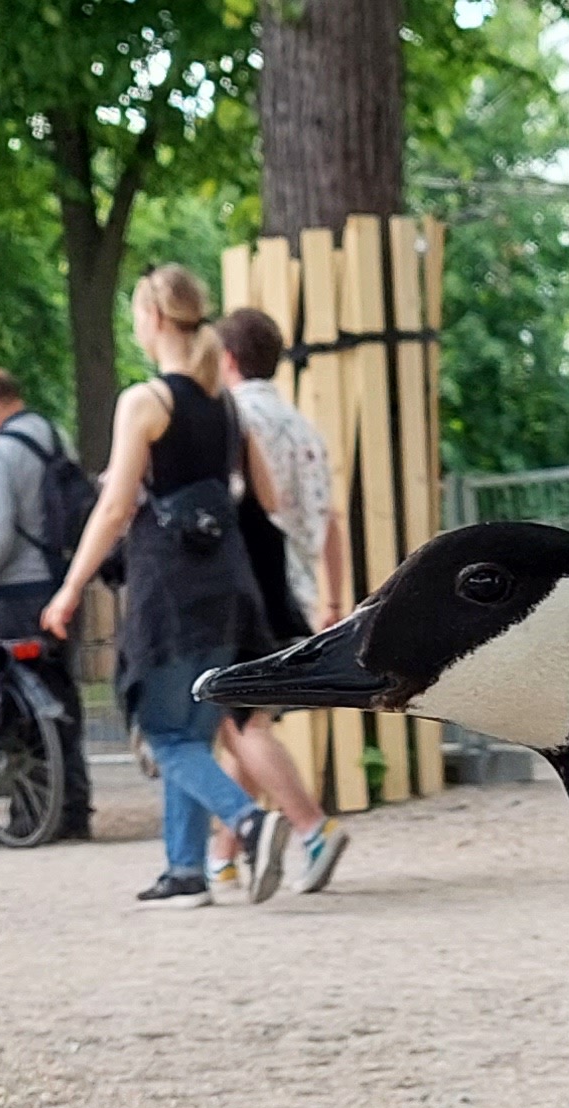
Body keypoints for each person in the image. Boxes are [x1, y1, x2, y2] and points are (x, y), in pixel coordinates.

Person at [40, 264, 285, 908]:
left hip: (170, 587)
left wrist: (70, 588)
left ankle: (251, 822)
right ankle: (185, 871)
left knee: (164, 734)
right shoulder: (225, 403)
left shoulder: (145, 402)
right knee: (193, 731)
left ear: (151, 319)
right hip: (229, 585)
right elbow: (269, 495)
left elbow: (115, 508)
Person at [213, 307, 350, 898]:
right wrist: (333, 598)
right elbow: (332, 519)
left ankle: (311, 829)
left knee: (237, 719)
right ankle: (224, 853)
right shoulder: (304, 428)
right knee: (249, 720)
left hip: (248, 587)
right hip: (294, 591)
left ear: (227, 359)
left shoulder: (234, 417)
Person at [0, 366, 91, 842]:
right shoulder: (56, 438)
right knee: (61, 695)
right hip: (63, 586)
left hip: (19, 594)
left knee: (21, 707)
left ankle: (33, 815)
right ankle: (75, 809)